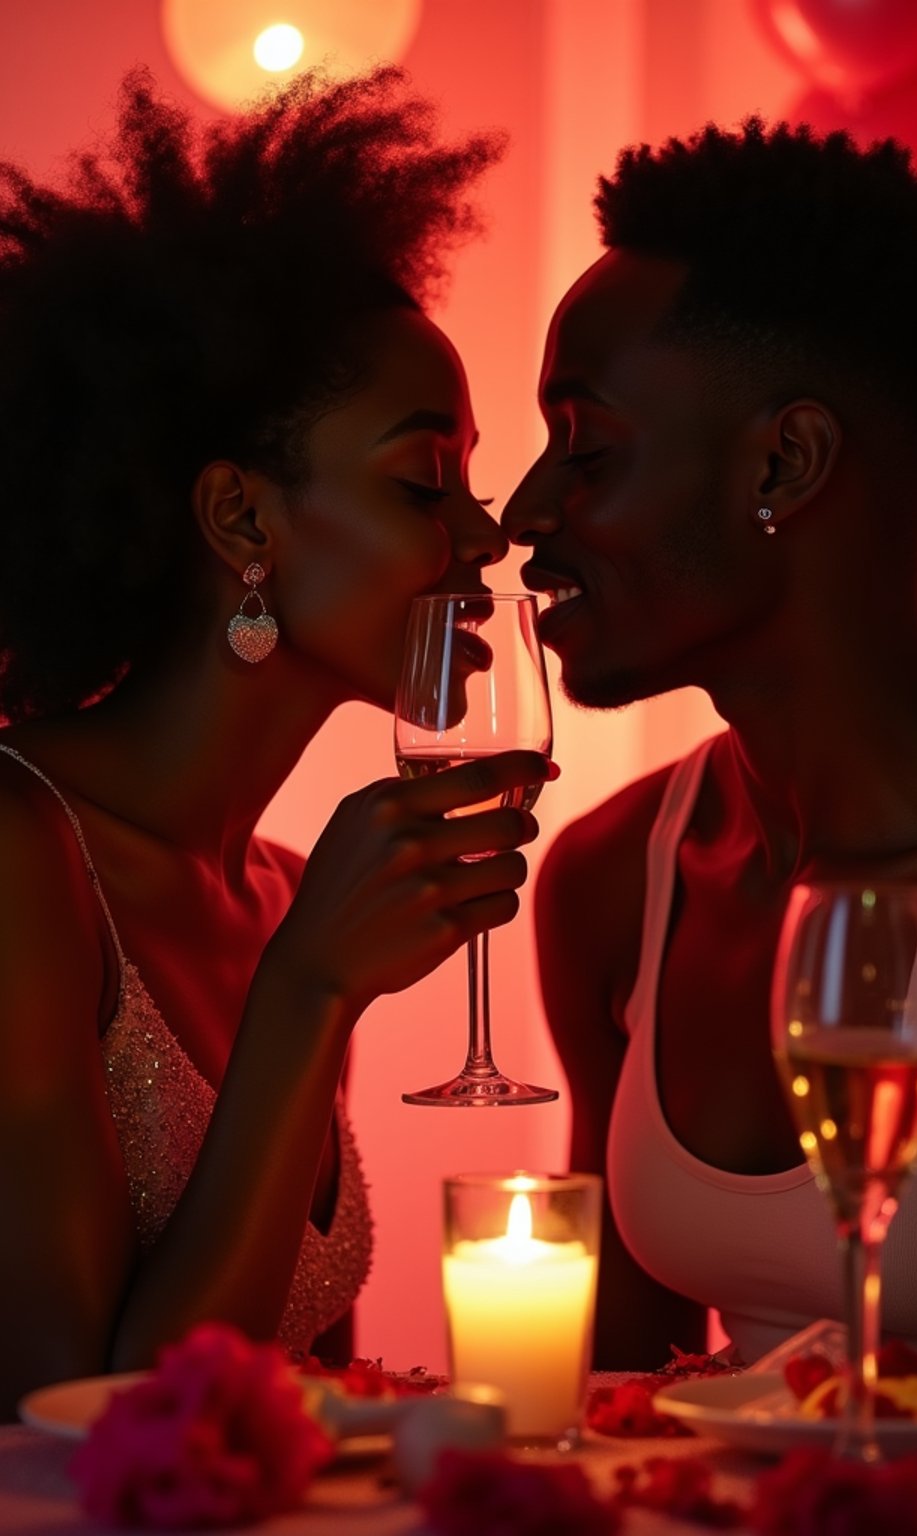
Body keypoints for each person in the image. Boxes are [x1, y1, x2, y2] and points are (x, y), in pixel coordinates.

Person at [0, 65, 549, 1418]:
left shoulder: (285, 888)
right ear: (240, 521)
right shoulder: (24, 858)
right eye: (427, 480)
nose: (485, 541)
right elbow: (78, 1434)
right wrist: (308, 994)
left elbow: (305, 1402)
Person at [502, 118, 917, 1371]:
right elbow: (624, 1400)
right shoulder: (608, 880)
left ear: (785, 463)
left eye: (584, 449)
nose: (521, 513)